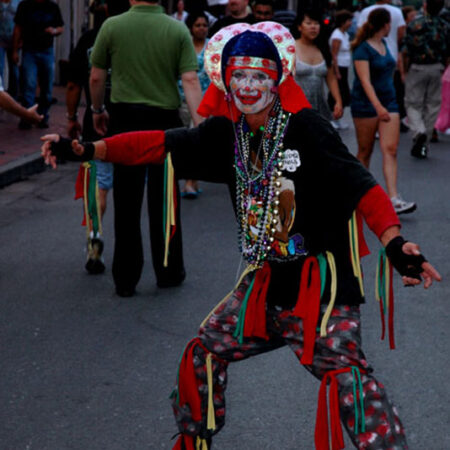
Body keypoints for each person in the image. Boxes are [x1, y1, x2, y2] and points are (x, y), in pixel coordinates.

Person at [41, 21, 441, 449]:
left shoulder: (307, 128)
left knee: (350, 384)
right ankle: (193, 442)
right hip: (262, 291)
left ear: (277, 79)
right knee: (204, 353)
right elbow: (157, 144)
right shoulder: (225, 134)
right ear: (226, 80)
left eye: (259, 76)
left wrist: (395, 243)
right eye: (240, 77)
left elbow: (361, 186)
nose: (249, 86)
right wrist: (88, 150)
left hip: (318, 295)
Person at [89, 0, 203, 296]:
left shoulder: (112, 26)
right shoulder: (177, 29)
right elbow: (189, 79)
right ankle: (169, 270)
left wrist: (96, 109)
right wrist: (201, 126)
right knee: (165, 197)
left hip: (124, 120)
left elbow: (97, 76)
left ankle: (126, 277)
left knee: (126, 199)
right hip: (164, 122)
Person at [351, 8, 416, 215]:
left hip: (389, 101)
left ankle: (394, 198)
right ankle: (359, 195)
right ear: (386, 24)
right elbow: (365, 81)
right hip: (366, 104)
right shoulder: (362, 49)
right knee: (365, 151)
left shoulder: (385, 44)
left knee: (391, 150)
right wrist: (378, 107)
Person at [65, 15, 114, 275]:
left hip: (97, 122)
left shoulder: (88, 39)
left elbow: (73, 84)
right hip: (136, 120)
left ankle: (95, 232)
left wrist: (71, 117)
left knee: (100, 182)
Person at [402, 0, 449, 159]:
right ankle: (424, 142)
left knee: (413, 103)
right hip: (437, 67)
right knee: (433, 105)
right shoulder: (445, 25)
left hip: (417, 66)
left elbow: (406, 49)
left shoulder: (415, 24)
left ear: (425, 6)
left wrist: (404, 70)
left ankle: (418, 130)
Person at [12, 0, 64, 129]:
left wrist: (53, 31)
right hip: (29, 50)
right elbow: (18, 28)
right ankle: (27, 116)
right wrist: (15, 50)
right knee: (29, 85)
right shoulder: (25, 6)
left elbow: (60, 27)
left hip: (46, 50)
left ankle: (43, 116)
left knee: (46, 86)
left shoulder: (52, 7)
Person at [178, 11, 211, 199]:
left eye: (205, 25)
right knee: (184, 139)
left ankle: (190, 181)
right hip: (181, 97)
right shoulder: (184, 45)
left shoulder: (212, 47)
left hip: (204, 101)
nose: (202, 29)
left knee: (196, 139)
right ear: (191, 27)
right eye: (198, 25)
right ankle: (193, 179)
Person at [294, 9, 343, 123]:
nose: (313, 27)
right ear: (299, 27)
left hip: (319, 109)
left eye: (316, 23)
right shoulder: (291, 48)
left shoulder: (323, 49)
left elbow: (331, 78)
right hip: (296, 109)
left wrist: (338, 101)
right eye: (309, 23)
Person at [328, 9, 354, 130]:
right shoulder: (337, 35)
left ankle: (338, 117)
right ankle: (333, 118)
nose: (351, 23)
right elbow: (334, 54)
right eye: (349, 21)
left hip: (345, 67)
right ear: (343, 22)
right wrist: (336, 71)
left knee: (344, 93)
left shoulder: (345, 34)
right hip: (339, 68)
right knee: (339, 93)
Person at [0, 0, 20, 99]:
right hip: (0, 40)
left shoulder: (18, 3)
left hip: (14, 40)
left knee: (14, 70)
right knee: (0, 67)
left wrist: (20, 40)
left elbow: (21, 23)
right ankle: (2, 96)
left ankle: (14, 97)